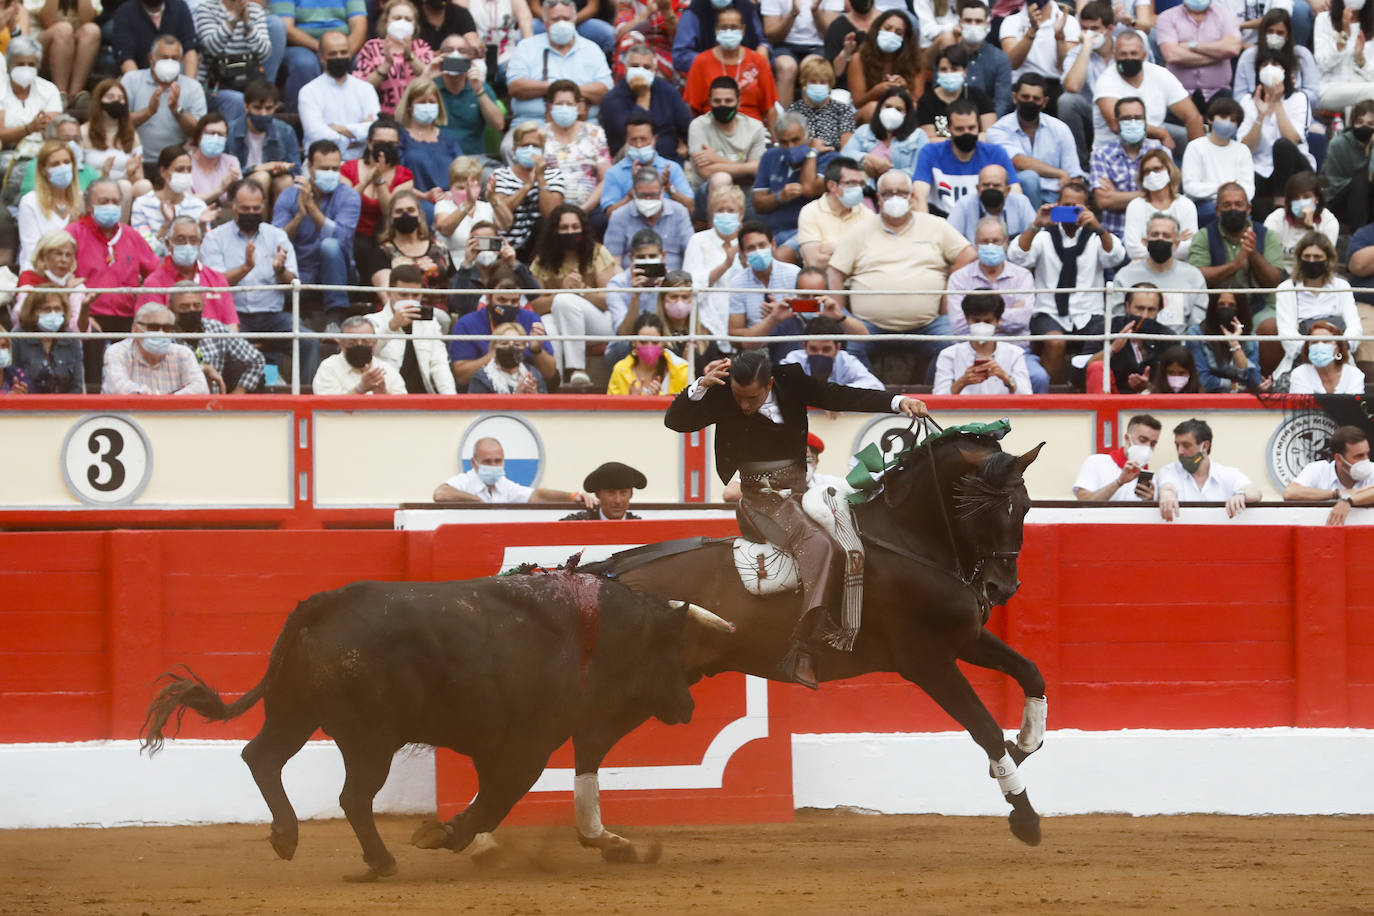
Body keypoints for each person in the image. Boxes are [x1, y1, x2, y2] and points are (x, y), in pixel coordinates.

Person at [663, 349, 928, 688]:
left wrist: (896, 402)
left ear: (770, 383)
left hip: (804, 494)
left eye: (752, 398)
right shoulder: (720, 392)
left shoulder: (792, 381)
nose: (744, 406)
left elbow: (839, 394)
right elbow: (677, 422)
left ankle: (853, 626)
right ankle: (804, 646)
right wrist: (699, 385)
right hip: (759, 499)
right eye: (738, 398)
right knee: (816, 543)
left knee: (859, 537)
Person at [828, 169, 974, 379]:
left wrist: (946, 297)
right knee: (850, 348)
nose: (894, 197)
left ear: (912, 196)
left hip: (929, 324)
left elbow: (968, 255)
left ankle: (934, 402)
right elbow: (835, 269)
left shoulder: (935, 225)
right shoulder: (860, 230)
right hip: (867, 326)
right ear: (878, 198)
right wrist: (842, 314)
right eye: (888, 193)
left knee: (952, 346)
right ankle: (869, 400)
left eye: (901, 192)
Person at [200, 179, 316, 385]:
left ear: (263, 207)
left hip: (273, 317)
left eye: (256, 208)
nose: (251, 212)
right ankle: (236, 395)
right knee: (220, 343)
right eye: (245, 208)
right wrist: (245, 268)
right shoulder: (215, 238)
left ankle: (305, 396)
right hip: (235, 318)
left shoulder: (277, 236)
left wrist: (280, 270)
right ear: (232, 208)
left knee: (309, 341)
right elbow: (215, 284)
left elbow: (293, 284)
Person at [1009, 180, 1125, 381]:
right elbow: (1017, 256)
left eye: (1076, 207)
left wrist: (1098, 228)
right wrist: (1036, 224)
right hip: (1049, 312)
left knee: (1103, 338)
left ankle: (1086, 393)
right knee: (1056, 342)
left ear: (1087, 208)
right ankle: (1049, 401)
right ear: (1057, 205)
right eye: (1066, 206)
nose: (1071, 211)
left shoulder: (1096, 236)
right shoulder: (1044, 236)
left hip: (1089, 312)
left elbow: (1114, 256)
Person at [70, 178, 161, 386]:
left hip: (127, 322)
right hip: (88, 321)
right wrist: (78, 312)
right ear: (90, 205)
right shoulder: (73, 234)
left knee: (127, 382)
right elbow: (59, 277)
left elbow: (155, 275)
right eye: (103, 201)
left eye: (114, 201)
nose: (110, 206)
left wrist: (143, 309)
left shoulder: (131, 235)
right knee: (92, 382)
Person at [945, 216, 1046, 391]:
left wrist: (979, 321)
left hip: (1016, 351)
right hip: (968, 353)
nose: (990, 246)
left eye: (996, 241)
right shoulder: (959, 279)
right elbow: (959, 326)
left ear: (1006, 243)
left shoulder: (1022, 276)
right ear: (975, 244)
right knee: (944, 378)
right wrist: (1001, 318)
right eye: (984, 242)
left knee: (1039, 378)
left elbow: (1022, 320)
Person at [528, 203, 617, 383]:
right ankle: (556, 381)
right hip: (558, 319)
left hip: (599, 322)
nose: (570, 232)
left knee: (564, 300)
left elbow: (609, 301)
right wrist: (562, 290)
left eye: (575, 227)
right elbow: (535, 306)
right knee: (547, 326)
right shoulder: (542, 260)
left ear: (583, 229)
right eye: (564, 228)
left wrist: (581, 291)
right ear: (555, 231)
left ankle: (577, 369)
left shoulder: (597, 253)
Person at [274, 140, 361, 324]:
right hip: (300, 271)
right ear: (310, 168)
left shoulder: (349, 196)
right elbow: (275, 241)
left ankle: (335, 321)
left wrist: (311, 207)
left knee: (330, 246)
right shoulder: (289, 195)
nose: (331, 174)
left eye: (335, 169)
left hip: (340, 273)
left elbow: (341, 238)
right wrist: (299, 216)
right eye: (325, 168)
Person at [505, 0, 612, 127]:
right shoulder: (527, 47)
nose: (561, 23)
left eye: (566, 18)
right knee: (508, 146)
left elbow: (605, 90)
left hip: (583, 125)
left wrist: (562, 90)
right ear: (544, 23)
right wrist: (562, 89)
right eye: (555, 19)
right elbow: (515, 87)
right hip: (533, 124)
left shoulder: (591, 49)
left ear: (574, 19)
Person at [1092, 31, 1201, 154]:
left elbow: (1193, 117)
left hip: (1154, 153)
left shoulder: (1161, 74)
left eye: (1134, 53)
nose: (1129, 58)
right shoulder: (1106, 81)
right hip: (1113, 154)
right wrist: (1161, 133)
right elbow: (1116, 125)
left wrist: (1197, 157)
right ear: (1115, 56)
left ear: (1144, 55)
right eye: (1123, 54)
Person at [987, 73, 1084, 208]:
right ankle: (1034, 226)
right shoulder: (998, 130)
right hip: (1016, 197)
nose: (1030, 102)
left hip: (1055, 197)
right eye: (1025, 97)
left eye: (1036, 99)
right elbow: (1019, 161)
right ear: (1015, 98)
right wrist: (1059, 173)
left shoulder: (1060, 129)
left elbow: (1074, 176)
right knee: (1029, 178)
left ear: (1044, 102)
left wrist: (1066, 201)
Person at [448, 269, 558, 389]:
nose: (508, 306)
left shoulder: (531, 319)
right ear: (488, 298)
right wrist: (499, 352)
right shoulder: (466, 324)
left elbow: (550, 374)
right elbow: (461, 377)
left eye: (514, 301)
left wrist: (537, 351)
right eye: (502, 300)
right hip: (484, 390)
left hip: (526, 387)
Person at [1274, 232, 1363, 378]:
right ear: (1299, 259)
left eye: (1317, 257)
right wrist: (1315, 351)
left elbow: (1355, 328)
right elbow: (1287, 335)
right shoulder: (1286, 288)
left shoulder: (1342, 286)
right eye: (1307, 257)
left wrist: (1335, 349)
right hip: (1301, 362)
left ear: (1328, 260)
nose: (1311, 261)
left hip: (1339, 360)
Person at [1187, 183, 1284, 312]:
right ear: (1217, 210)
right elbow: (1197, 277)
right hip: (1215, 308)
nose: (1233, 209)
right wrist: (1235, 265)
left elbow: (1274, 282)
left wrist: (1254, 255)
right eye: (1227, 205)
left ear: (1248, 208)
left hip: (1258, 306)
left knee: (1269, 326)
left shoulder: (1267, 235)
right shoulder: (1204, 236)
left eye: (1238, 204)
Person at [913, 101, 1019, 217]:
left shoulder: (996, 153)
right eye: (959, 129)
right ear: (948, 128)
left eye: (971, 128)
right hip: (942, 220)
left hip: (985, 221)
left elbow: (1016, 193)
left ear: (979, 127)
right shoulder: (930, 152)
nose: (966, 133)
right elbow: (919, 195)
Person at [134, 216, 240, 331]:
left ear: (200, 243)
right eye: (181, 240)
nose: (187, 245)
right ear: (168, 244)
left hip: (214, 346)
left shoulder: (217, 280)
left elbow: (231, 327)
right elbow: (147, 329)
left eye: (193, 240)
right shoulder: (153, 283)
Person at [365, 262, 457, 394]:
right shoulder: (371, 321)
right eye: (403, 295)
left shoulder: (430, 323)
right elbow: (364, 356)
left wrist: (451, 400)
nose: (409, 300)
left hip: (422, 398)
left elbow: (439, 364)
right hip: (387, 398)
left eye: (415, 295)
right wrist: (391, 326)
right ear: (389, 293)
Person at [119, 36, 207, 170]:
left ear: (182, 60)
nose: (169, 62)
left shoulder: (193, 87)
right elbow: (118, 123)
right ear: (151, 58)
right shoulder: (131, 80)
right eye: (164, 57)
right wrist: (148, 112)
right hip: (135, 161)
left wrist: (177, 110)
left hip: (176, 165)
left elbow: (198, 132)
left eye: (174, 58)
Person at [684, 77, 767, 217]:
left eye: (728, 101)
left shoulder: (755, 127)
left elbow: (757, 173)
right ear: (710, 101)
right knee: (721, 178)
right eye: (717, 101)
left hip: (745, 193)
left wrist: (716, 159)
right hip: (707, 194)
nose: (723, 105)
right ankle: (716, 235)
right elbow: (705, 171)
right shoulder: (698, 126)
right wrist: (748, 168)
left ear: (739, 102)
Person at [751, 112, 830, 259]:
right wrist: (780, 197)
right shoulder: (770, 156)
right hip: (773, 230)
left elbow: (809, 189)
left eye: (796, 140)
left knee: (780, 256)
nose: (790, 147)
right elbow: (758, 204)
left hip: (809, 231)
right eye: (784, 142)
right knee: (747, 254)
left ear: (809, 137)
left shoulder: (827, 157)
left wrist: (811, 153)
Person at [683, 4, 778, 127]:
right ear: (716, 30)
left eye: (734, 27)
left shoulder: (758, 61)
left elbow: (770, 108)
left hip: (752, 129)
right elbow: (690, 107)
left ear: (743, 30)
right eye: (724, 28)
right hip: (712, 127)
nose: (729, 32)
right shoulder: (701, 62)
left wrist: (776, 142)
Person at [1239, 51, 1315, 206]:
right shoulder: (1247, 101)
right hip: (1261, 168)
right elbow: (1246, 147)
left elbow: (1292, 139)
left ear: (1284, 71)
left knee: (1282, 145)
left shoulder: (1298, 98)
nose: (1269, 68)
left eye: (1275, 64)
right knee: (1254, 198)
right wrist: (1260, 116)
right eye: (1264, 65)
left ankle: (1281, 201)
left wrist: (1278, 103)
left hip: (1296, 167)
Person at [1111, 213, 1207, 332]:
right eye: (1155, 234)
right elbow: (1117, 320)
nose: (1160, 239)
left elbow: (1196, 327)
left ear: (1176, 243)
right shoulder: (1124, 276)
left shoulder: (1194, 277)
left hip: (1178, 347)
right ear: (1145, 241)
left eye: (1166, 235)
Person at [341, 117, 415, 270]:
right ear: (369, 143)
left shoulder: (404, 175)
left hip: (388, 233)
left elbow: (389, 211)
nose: (385, 148)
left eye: (391, 144)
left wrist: (379, 180)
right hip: (354, 233)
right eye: (380, 143)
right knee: (361, 245)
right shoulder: (348, 168)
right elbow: (345, 204)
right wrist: (367, 179)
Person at [165, 281, 265, 393]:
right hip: (179, 402)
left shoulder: (216, 329)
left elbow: (257, 360)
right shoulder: (164, 335)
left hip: (214, 403)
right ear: (171, 308)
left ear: (203, 305)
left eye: (196, 305)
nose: (192, 310)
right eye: (184, 307)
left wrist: (237, 394)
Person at [432, 435, 593, 505]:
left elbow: (535, 495)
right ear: (474, 463)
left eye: (498, 461)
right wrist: (476, 502)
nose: (494, 466)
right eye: (487, 461)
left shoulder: (504, 485)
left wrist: (571, 496)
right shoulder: (466, 480)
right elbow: (440, 494)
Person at [298, 30, 382, 162]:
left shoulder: (366, 89)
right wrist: (353, 138)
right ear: (321, 57)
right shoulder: (308, 92)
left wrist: (337, 129)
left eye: (343, 52)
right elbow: (316, 134)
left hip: (361, 163)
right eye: (333, 54)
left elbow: (374, 129)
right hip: (321, 165)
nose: (339, 57)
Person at [600, 43, 693, 161]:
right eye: (635, 66)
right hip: (628, 160)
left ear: (655, 70)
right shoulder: (612, 98)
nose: (640, 71)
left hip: (668, 159)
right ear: (625, 69)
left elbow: (687, 126)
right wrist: (643, 96)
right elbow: (633, 135)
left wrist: (687, 147)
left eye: (646, 67)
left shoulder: (668, 91)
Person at [1157, 417, 1261, 521]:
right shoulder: (1169, 471)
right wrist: (1167, 495)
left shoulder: (1226, 473)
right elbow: (1167, 487)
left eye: (1186, 445)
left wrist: (1241, 495)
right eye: (1177, 445)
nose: (1180, 451)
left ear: (1205, 446)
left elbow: (1255, 492)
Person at [1089, 96, 1163, 238]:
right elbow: (1104, 201)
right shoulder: (1101, 155)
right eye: (1127, 118)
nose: (1133, 122)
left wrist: (1116, 196)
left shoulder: (1160, 152)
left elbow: (1166, 195)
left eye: (1138, 118)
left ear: (1145, 121)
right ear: (1116, 123)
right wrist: (1149, 193)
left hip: (1153, 236)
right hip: (1115, 237)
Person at [275, 0, 370, 110]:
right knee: (305, 64)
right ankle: (298, 118)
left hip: (343, 45)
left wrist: (344, 54)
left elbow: (360, 27)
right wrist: (324, 50)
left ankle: (361, 114)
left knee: (361, 61)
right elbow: (287, 29)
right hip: (302, 46)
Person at [933, 292, 1033, 394]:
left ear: (998, 320)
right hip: (963, 409)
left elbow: (1026, 395)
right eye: (976, 321)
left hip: (1002, 409)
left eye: (988, 321)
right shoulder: (948, 355)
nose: (982, 325)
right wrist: (962, 382)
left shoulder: (1015, 354)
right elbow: (938, 397)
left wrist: (1006, 378)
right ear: (967, 319)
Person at [102, 301, 209, 395]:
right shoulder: (117, 352)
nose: (160, 333)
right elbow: (119, 389)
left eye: (166, 328)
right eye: (153, 327)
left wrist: (168, 399)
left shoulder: (183, 353)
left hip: (171, 416)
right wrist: (159, 399)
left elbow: (201, 388)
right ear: (135, 328)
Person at [1155, 0, 1241, 115]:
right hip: (1178, 94)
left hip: (1218, 92)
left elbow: (1232, 48)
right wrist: (1218, 56)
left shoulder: (1226, 16)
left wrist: (1192, 46)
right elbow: (1172, 55)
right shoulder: (1167, 17)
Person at [492, 121, 567, 253]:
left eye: (535, 146)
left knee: (544, 225)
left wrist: (541, 179)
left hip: (541, 246)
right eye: (525, 145)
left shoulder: (554, 175)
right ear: (515, 148)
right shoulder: (501, 175)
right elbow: (502, 214)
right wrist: (527, 186)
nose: (530, 150)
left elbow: (551, 215)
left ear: (542, 150)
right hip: (507, 246)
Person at [682, 183, 744, 342]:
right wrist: (725, 265)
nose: (725, 214)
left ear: (741, 214)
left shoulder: (748, 242)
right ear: (712, 215)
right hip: (706, 324)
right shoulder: (698, 241)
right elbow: (690, 285)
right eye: (720, 210)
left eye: (730, 210)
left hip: (742, 324)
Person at [725, 220, 804, 344]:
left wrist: (787, 309)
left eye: (762, 245)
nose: (758, 251)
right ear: (743, 253)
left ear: (773, 245)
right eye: (751, 248)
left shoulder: (794, 273)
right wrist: (768, 323)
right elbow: (734, 334)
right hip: (758, 348)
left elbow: (817, 306)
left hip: (792, 341)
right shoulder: (737, 283)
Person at [196, 0, 273, 125]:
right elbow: (212, 48)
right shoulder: (206, 8)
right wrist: (233, 21)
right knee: (236, 100)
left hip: (249, 79)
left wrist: (248, 24)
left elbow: (264, 53)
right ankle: (233, 143)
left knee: (264, 99)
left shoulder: (255, 10)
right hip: (216, 85)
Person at [1083, 283, 1171, 392]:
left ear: (1159, 310)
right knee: (1097, 367)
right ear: (1127, 306)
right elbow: (1083, 370)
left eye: (1151, 310)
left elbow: (1175, 383)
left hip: (1152, 402)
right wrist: (1112, 349)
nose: (1144, 315)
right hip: (1112, 399)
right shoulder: (1107, 329)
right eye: (1139, 308)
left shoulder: (1167, 337)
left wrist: (1147, 388)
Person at [601, 113, 693, 217]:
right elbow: (610, 215)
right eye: (633, 140)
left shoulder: (672, 168)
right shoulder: (614, 173)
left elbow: (690, 208)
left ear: (655, 138)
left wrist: (669, 188)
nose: (639, 145)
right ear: (626, 139)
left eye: (644, 139)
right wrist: (632, 194)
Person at [353, 0, 435, 116]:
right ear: (386, 22)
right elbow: (361, 87)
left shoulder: (422, 46)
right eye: (397, 18)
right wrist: (387, 64)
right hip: (383, 117)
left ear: (415, 24)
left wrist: (410, 57)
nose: (402, 22)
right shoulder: (372, 47)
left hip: (415, 116)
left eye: (408, 19)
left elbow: (431, 79)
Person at [1180, 96, 1253, 225]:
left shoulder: (1242, 150)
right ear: (1210, 119)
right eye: (1224, 118)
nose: (1228, 123)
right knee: (1221, 212)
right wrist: (1223, 189)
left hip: (1234, 204)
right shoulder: (1195, 147)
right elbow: (1190, 187)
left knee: (1242, 215)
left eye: (1233, 120)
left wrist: (1229, 199)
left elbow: (1249, 189)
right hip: (1201, 205)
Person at [80, 79, 148, 219]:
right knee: (123, 186)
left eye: (121, 98)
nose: (117, 102)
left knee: (143, 185)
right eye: (110, 98)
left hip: (125, 184)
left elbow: (139, 177)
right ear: (99, 102)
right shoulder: (83, 132)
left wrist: (131, 173)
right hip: (92, 184)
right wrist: (103, 173)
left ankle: (129, 231)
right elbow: (78, 173)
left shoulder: (132, 135)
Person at [838, 86, 928, 191]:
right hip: (865, 190)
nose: (892, 112)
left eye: (899, 109)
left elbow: (918, 171)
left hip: (899, 192)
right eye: (888, 106)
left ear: (907, 114)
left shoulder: (918, 136)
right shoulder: (864, 131)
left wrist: (886, 173)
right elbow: (845, 155)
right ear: (880, 108)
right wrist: (867, 159)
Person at [795, 155, 876, 270]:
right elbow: (815, 262)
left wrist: (831, 248)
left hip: (857, 283)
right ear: (832, 186)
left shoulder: (867, 214)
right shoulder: (810, 211)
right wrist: (856, 252)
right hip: (823, 283)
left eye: (861, 183)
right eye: (851, 183)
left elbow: (873, 259)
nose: (858, 189)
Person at [1059, 1, 1119, 156]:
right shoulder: (1076, 53)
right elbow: (1072, 87)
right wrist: (1086, 48)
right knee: (1067, 101)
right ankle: (1081, 166)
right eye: (1084, 29)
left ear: (1109, 29)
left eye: (1094, 29)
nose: (1088, 34)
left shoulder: (1126, 48)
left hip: (1127, 116)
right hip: (1092, 116)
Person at [541, 79, 610, 212]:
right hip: (551, 210)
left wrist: (585, 208)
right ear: (550, 107)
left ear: (577, 106)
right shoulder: (540, 136)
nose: (564, 108)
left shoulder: (595, 133)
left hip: (590, 208)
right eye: (559, 104)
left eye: (569, 104)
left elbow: (606, 178)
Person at [1282, 426, 1374, 526]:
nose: (1365, 460)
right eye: (1359, 456)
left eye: (1367, 454)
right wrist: (1337, 493)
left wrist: (1348, 500)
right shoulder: (1318, 469)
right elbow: (1290, 493)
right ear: (1338, 459)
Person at [229, 81, 303, 205]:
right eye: (257, 108)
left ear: (275, 107)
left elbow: (296, 169)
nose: (263, 113)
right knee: (261, 177)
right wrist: (256, 169)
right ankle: (258, 223)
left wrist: (282, 169)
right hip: (241, 182)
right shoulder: (231, 130)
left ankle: (280, 224)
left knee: (285, 181)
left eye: (268, 108)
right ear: (246, 107)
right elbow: (226, 171)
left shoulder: (286, 131)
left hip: (274, 182)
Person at [130, 145, 212, 256]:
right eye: (180, 169)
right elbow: (144, 253)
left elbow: (207, 252)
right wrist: (166, 226)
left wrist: (202, 229)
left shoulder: (199, 206)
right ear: (163, 171)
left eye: (189, 169)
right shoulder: (142, 204)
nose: (185, 174)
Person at [604, 166, 693, 268]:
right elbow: (613, 261)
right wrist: (626, 282)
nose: (648, 199)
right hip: (631, 280)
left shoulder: (679, 212)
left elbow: (691, 254)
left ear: (662, 192)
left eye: (653, 195)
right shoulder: (619, 216)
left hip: (672, 280)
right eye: (642, 195)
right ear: (634, 193)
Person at [1233, 9, 1320, 109]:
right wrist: (1260, 97)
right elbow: (1239, 97)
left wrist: (1290, 93)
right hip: (1257, 113)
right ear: (1263, 32)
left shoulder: (1302, 55)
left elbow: (1314, 97)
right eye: (1270, 31)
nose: (1274, 36)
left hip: (1294, 113)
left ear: (1287, 34)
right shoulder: (1248, 56)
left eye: (1280, 33)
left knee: (1316, 126)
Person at [395, 76, 464, 204]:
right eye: (421, 102)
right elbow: (395, 178)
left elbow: (463, 173)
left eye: (432, 102)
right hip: (414, 202)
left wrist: (451, 193)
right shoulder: (400, 138)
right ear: (410, 106)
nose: (427, 106)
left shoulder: (448, 139)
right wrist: (423, 195)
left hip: (450, 201)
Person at [1121, 150, 1197, 263]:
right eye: (1147, 171)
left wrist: (1150, 246)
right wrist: (1176, 241)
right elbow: (1133, 250)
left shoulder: (1186, 205)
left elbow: (1190, 247)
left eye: (1157, 169)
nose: (1152, 174)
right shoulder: (1135, 206)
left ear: (1169, 169)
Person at [451, 222, 541, 315]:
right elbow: (457, 304)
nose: (485, 249)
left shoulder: (513, 271)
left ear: (498, 242)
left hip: (509, 322)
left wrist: (513, 263)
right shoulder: (465, 274)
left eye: (490, 242)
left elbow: (535, 294)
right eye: (480, 242)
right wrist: (467, 263)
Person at [847, 10, 921, 123]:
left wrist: (904, 91)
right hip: (869, 113)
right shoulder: (859, 59)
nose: (892, 34)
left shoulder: (914, 61)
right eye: (887, 28)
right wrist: (876, 92)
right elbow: (857, 103)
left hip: (901, 111)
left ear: (905, 38)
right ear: (877, 30)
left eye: (898, 32)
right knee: (872, 108)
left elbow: (918, 103)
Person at [434, 40, 505, 158]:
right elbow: (404, 120)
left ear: (470, 60)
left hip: (472, 160)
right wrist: (426, 76)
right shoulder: (430, 85)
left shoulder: (480, 86)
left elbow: (498, 125)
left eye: (461, 51)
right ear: (439, 56)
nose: (455, 55)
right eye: (449, 50)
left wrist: (479, 91)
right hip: (437, 158)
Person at [374, 188, 454, 292]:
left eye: (411, 210)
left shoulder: (440, 248)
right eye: (399, 211)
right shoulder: (382, 252)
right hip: (401, 307)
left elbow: (453, 286)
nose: (405, 215)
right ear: (391, 218)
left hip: (439, 307)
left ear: (420, 216)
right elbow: (386, 294)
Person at [1262, 172, 1339, 278]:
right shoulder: (1276, 218)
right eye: (1295, 198)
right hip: (1280, 275)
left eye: (1306, 197)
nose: (1301, 202)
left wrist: (1311, 228)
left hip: (1314, 275)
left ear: (1316, 198)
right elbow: (1269, 256)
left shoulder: (1328, 221)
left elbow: (1325, 257)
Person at [999, 0, 1079, 101]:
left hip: (1054, 85)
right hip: (1020, 84)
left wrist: (1059, 37)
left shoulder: (1069, 22)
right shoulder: (1011, 21)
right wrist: (1033, 30)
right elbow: (1012, 64)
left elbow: (1067, 67)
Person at [17, 139, 79, 272]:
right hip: (39, 276)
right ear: (43, 170)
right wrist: (71, 226)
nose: (62, 167)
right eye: (55, 164)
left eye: (67, 162)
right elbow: (33, 253)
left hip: (76, 277)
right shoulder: (30, 202)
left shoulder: (82, 200)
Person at [10, 284, 83, 393]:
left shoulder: (72, 339)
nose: (53, 314)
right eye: (46, 309)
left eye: (57, 309)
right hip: (27, 406)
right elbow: (11, 379)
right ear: (33, 312)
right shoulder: (18, 338)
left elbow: (77, 387)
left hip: (64, 407)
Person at [1072, 412, 1161, 501]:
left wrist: (1150, 501)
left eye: (1153, 444)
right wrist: (1118, 482)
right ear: (1127, 439)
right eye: (1142, 440)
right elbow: (1083, 502)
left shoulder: (1153, 479)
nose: (1147, 447)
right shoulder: (1096, 462)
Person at [916, 43, 997, 141]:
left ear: (964, 72)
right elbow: (928, 139)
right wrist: (961, 142)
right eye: (943, 69)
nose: (949, 73)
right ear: (937, 73)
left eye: (954, 69)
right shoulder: (926, 102)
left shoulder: (979, 96)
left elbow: (990, 134)